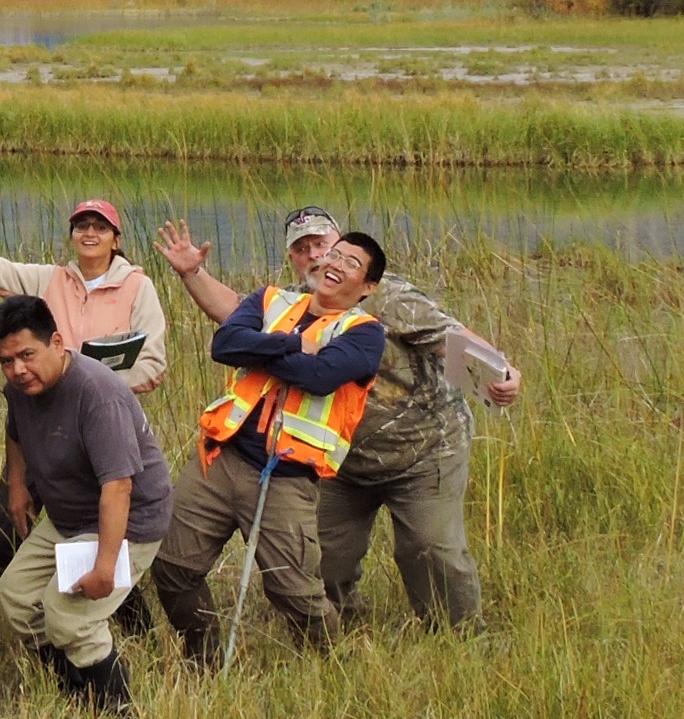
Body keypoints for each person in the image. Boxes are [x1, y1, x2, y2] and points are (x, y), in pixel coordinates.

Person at [156, 207, 520, 628]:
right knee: (325, 559)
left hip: (421, 450)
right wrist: (193, 275)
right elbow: (234, 320)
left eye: (324, 245)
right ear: (293, 257)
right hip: (340, 460)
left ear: (346, 251)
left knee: (429, 547)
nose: (315, 255)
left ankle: (458, 638)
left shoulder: (389, 298)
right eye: (302, 248)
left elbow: (451, 338)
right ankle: (341, 634)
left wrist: (504, 371)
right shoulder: (289, 301)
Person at [147, 233, 388, 663]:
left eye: (351, 263)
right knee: (172, 568)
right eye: (334, 254)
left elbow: (320, 376)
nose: (334, 263)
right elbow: (224, 345)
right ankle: (202, 655)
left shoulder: (364, 333)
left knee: (293, 591)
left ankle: (330, 666)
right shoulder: (270, 299)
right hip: (220, 458)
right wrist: (295, 344)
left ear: (368, 287)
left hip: (287, 478)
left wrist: (258, 350)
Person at [0, 186, 168, 575]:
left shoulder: (139, 287)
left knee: (100, 531)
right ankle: (39, 618)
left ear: (116, 239)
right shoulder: (50, 279)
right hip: (42, 425)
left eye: (100, 227)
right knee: (7, 534)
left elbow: (152, 363)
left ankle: (118, 616)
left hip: (101, 428)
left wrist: (93, 382)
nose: (90, 233)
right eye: (81, 225)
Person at [0, 295, 174, 713]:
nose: (18, 369)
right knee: (15, 597)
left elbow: (119, 487)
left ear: (56, 341)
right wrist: (17, 484)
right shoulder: (22, 388)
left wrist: (105, 566)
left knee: (69, 616)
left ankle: (119, 717)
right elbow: (15, 431)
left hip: (129, 519)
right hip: (70, 514)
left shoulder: (97, 393)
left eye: (27, 355)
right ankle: (75, 691)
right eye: (6, 360)